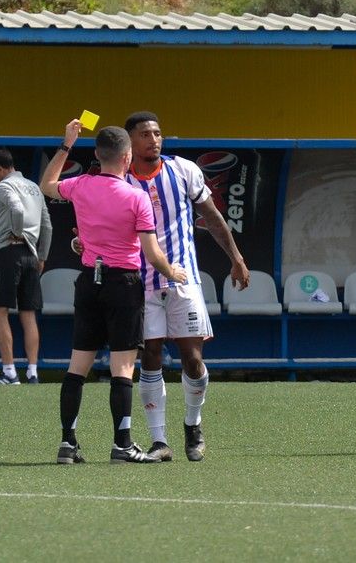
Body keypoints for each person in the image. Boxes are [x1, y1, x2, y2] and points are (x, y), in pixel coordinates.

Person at [40, 119, 187, 464]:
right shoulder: (136, 197)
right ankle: (122, 445)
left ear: (97, 154)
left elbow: (47, 185)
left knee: (77, 366)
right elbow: (152, 253)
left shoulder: (80, 185)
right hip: (123, 285)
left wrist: (66, 144)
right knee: (122, 368)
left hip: (89, 281)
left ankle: (67, 444)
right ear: (127, 158)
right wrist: (172, 271)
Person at [123, 111, 250, 462]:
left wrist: (236, 258)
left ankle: (193, 424)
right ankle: (159, 440)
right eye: (146, 134)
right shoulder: (119, 177)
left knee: (192, 359)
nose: (154, 139)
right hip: (140, 282)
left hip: (184, 280)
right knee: (149, 356)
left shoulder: (183, 169)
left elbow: (211, 216)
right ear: (130, 140)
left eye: (158, 133)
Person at [0, 149, 52, 385]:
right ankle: (32, 371)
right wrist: (41, 256)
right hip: (32, 256)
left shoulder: (3, 186)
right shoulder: (34, 187)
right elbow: (47, 227)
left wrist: (17, 234)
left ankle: (9, 373)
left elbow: (17, 210)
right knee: (28, 313)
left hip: (10, 251)